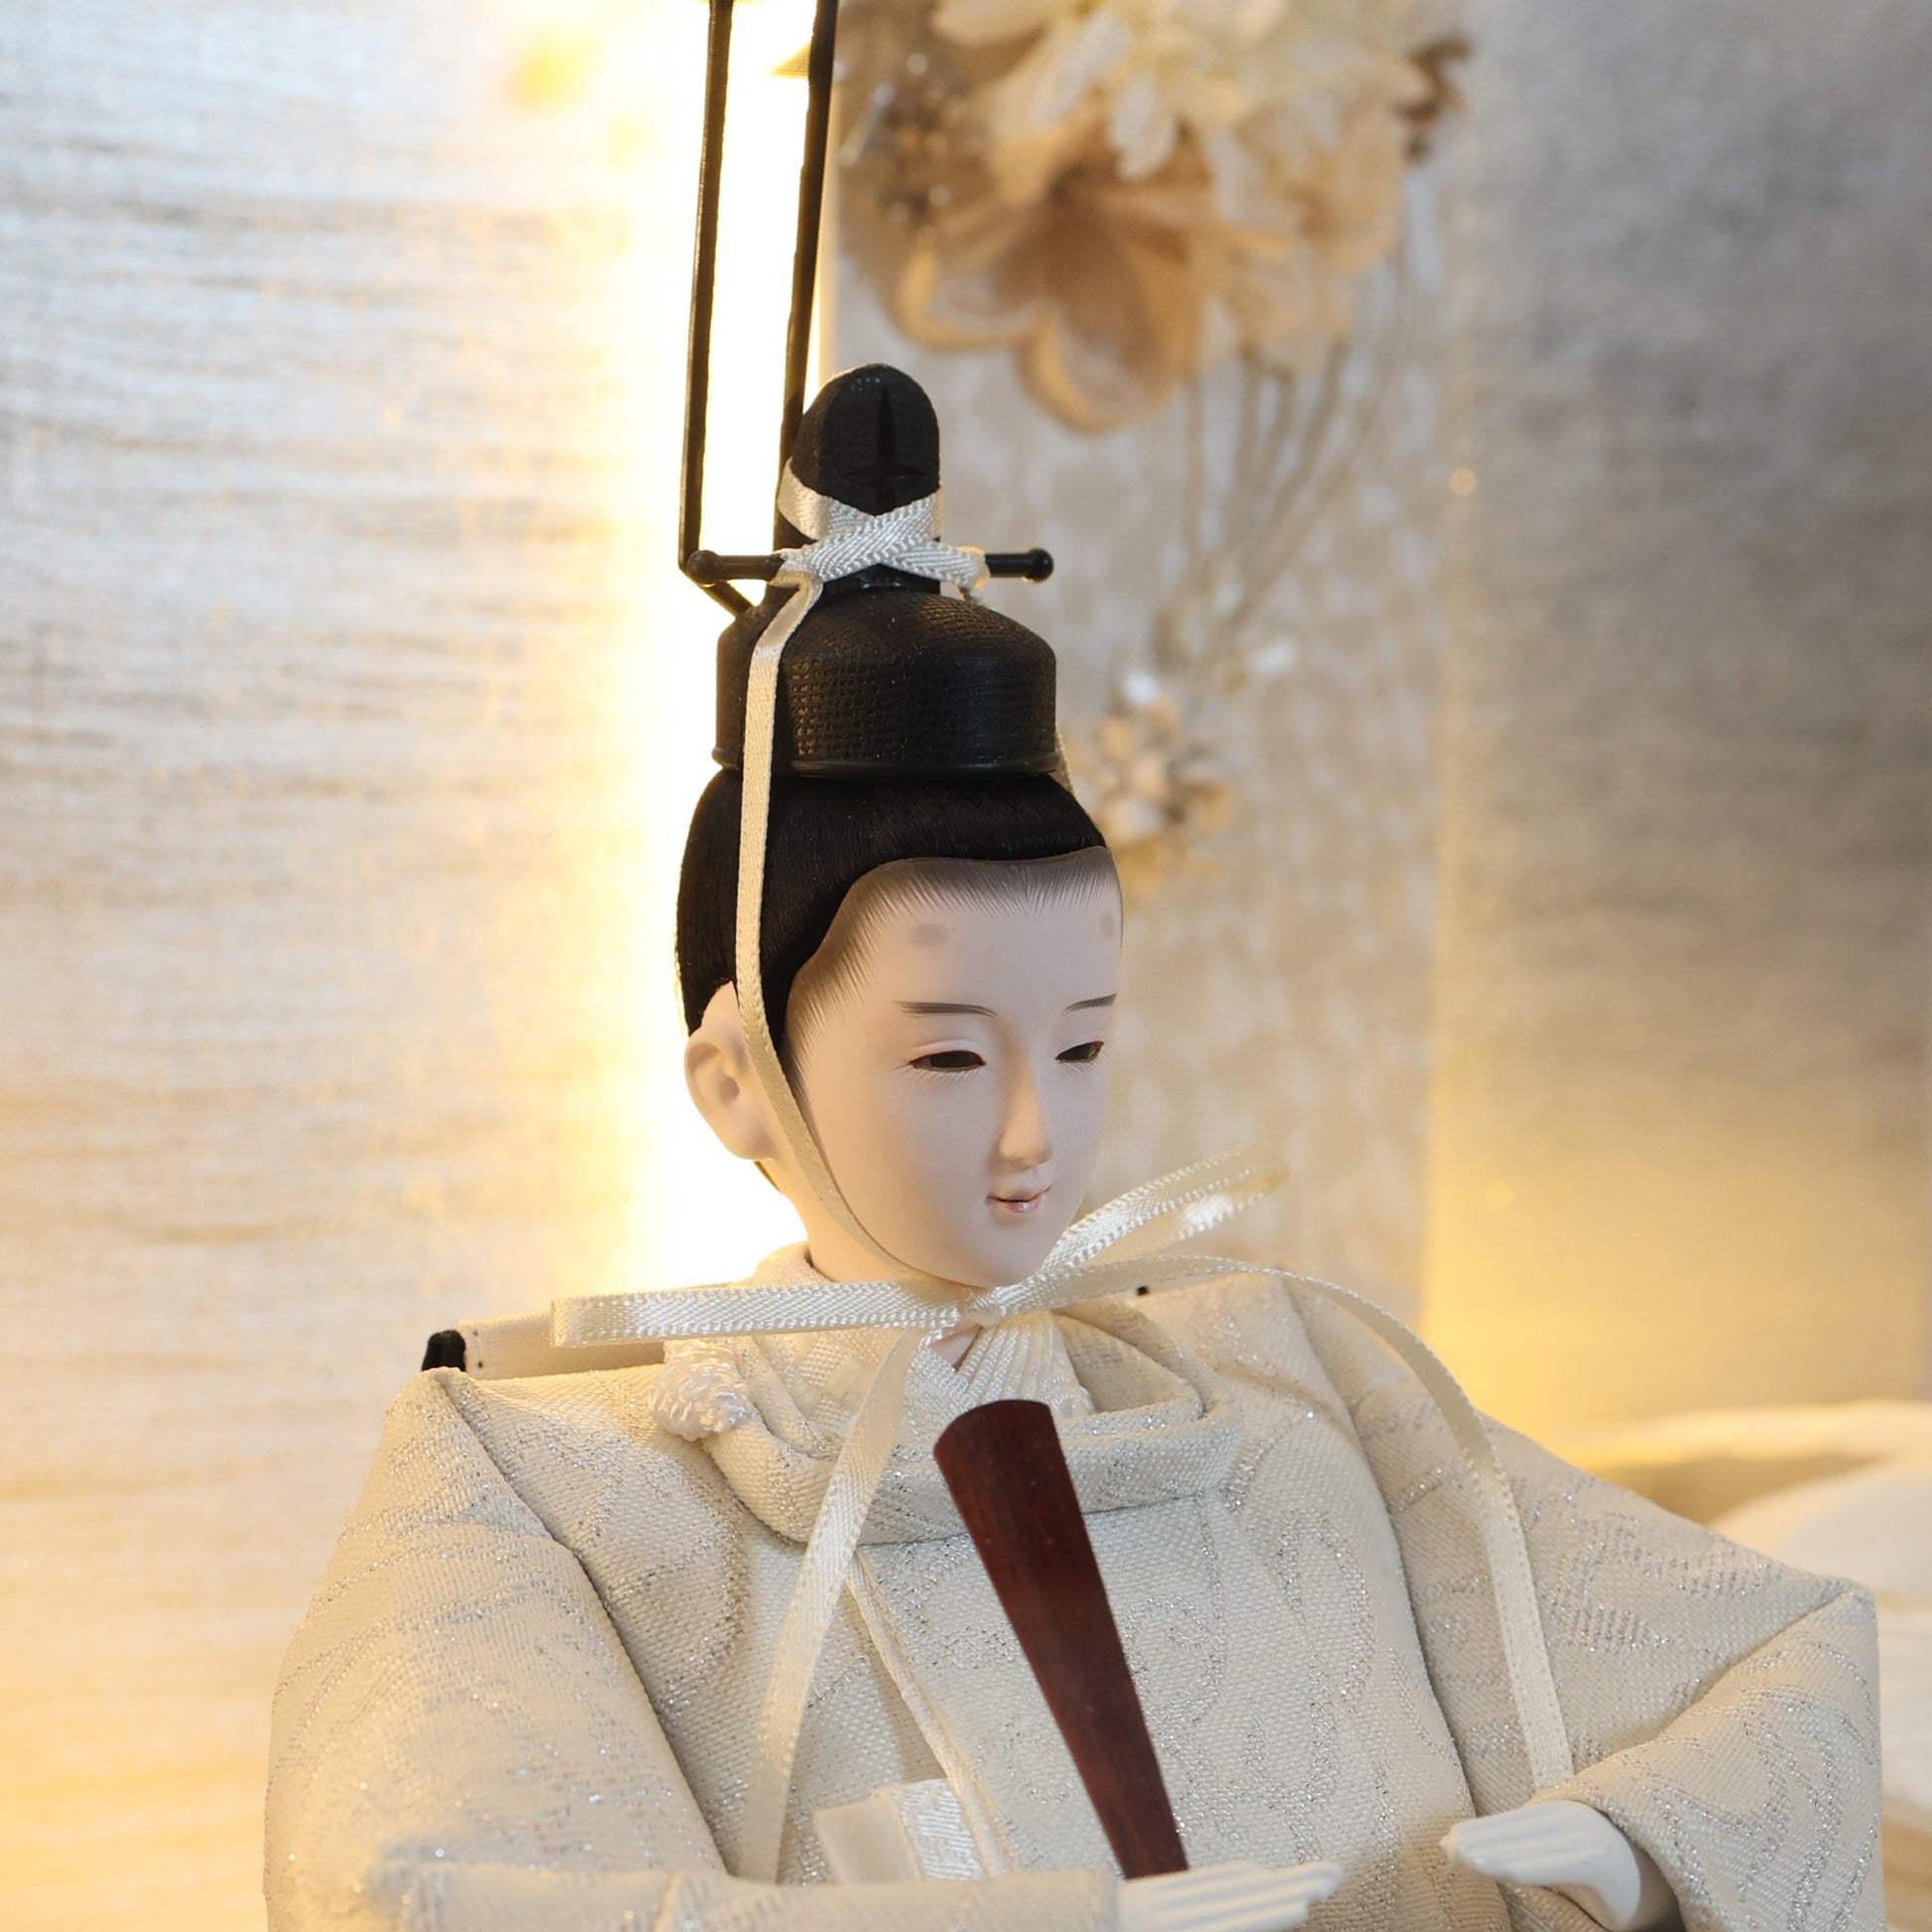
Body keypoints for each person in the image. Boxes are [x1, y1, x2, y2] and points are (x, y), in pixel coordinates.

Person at [266, 367, 1884, 1932]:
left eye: (1085, 1041)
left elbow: (1775, 1654)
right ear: (739, 1080)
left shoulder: (1289, 1374)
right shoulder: (550, 1482)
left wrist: (1634, 1847)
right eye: (948, 1055)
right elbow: (421, 1880)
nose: (1036, 1130)